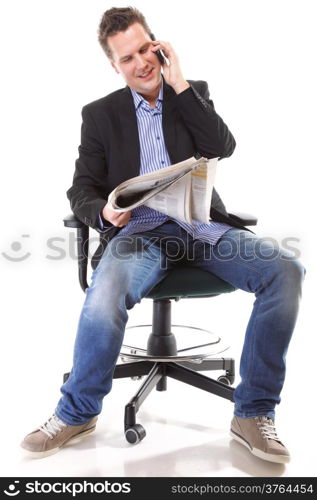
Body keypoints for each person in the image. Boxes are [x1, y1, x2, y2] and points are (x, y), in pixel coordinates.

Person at [21, 7, 305, 463]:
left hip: (200, 228)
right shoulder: (100, 115)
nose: (141, 63)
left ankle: (252, 413)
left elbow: (221, 147)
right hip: (140, 235)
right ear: (114, 65)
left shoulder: (189, 94)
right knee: (107, 287)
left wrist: (181, 86)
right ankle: (76, 412)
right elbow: (81, 188)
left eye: (145, 50)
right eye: (127, 57)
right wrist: (104, 211)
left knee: (285, 271)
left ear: (158, 45)